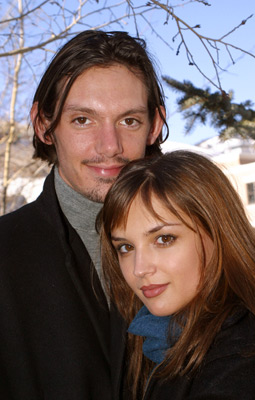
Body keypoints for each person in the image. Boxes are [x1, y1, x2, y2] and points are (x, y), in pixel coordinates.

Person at [0, 30, 168, 399]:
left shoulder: (201, 244)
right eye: (82, 120)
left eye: (129, 121)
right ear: (44, 124)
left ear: (154, 125)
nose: (110, 146)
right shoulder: (6, 256)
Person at [100, 150, 255, 400]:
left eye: (164, 239)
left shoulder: (247, 354)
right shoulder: (151, 337)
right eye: (126, 247)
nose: (139, 268)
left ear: (218, 233)